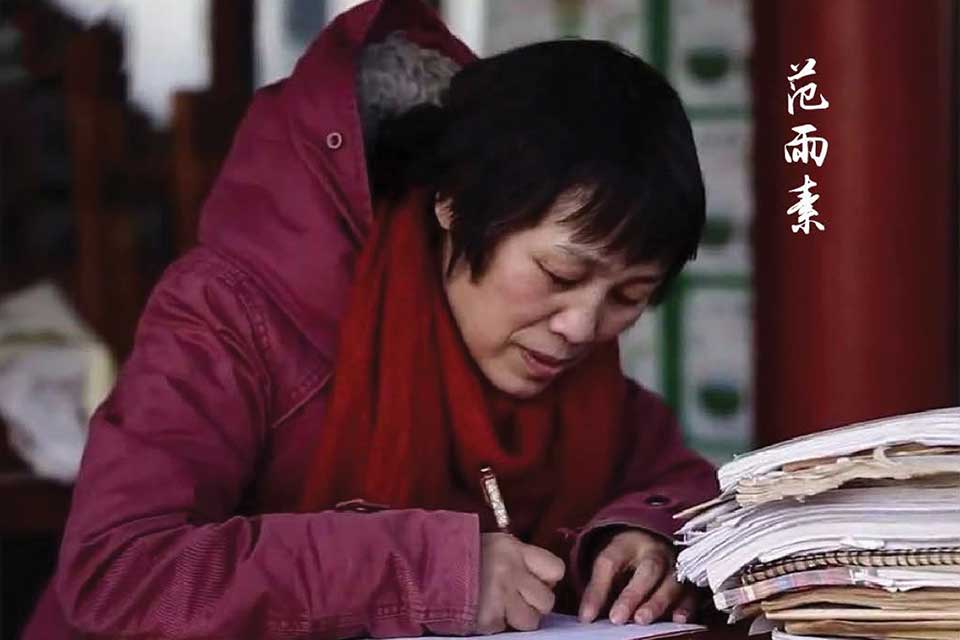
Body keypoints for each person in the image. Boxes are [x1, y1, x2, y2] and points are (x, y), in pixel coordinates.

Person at [24, 0, 718, 637]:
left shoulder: (582, 380)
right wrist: (422, 570)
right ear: (457, 204)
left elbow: (677, 483)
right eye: (559, 276)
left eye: (629, 296)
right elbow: (116, 570)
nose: (582, 327)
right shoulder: (234, 312)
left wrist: (645, 540)